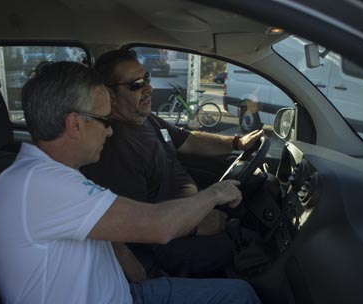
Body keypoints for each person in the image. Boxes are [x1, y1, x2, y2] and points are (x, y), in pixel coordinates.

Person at [0, 61, 287, 304]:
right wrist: (215, 194)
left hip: (128, 303)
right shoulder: (38, 184)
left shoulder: (57, 173)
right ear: (75, 125)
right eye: (105, 121)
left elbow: (97, 223)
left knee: (240, 299)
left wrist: (129, 264)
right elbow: (158, 226)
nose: (109, 132)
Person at [82, 49, 265, 276]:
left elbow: (188, 140)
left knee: (250, 228)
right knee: (250, 255)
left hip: (188, 217)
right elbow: (135, 227)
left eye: (146, 79)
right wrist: (195, 226)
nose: (149, 88)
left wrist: (237, 143)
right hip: (169, 243)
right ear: (110, 94)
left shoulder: (146, 119)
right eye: (136, 85)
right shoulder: (114, 147)